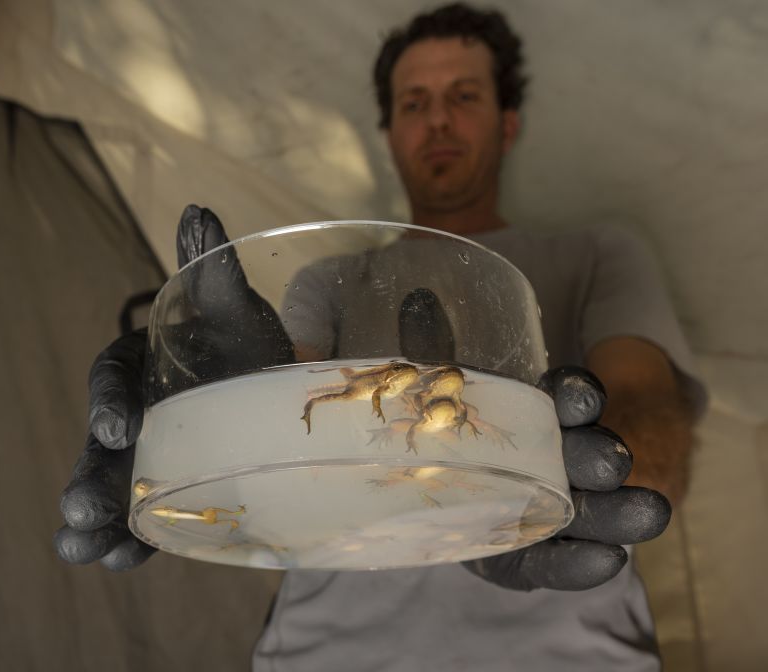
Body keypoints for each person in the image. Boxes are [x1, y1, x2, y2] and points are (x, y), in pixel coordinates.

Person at [55, 4, 704, 670]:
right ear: (390, 132)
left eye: (464, 96)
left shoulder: (597, 253)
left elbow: (653, 432)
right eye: (415, 102)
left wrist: (524, 484)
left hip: (563, 650)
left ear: (507, 123)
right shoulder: (330, 278)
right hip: (328, 650)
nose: (439, 120)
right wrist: (205, 407)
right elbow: (288, 410)